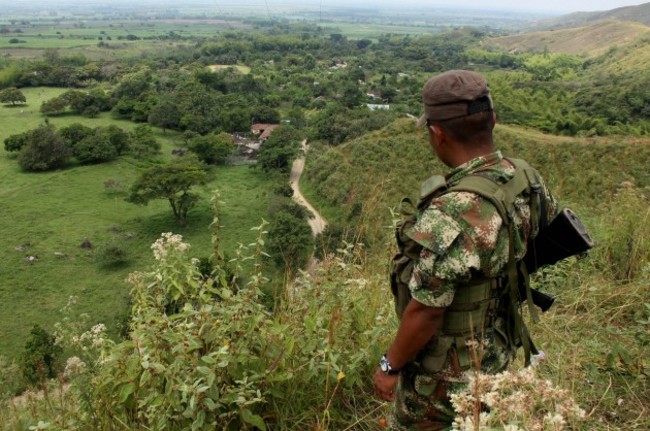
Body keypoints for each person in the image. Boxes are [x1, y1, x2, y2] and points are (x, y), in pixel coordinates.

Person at [373, 70, 558, 430]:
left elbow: (426, 313)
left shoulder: (452, 212)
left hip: (445, 379)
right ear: (494, 120)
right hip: (500, 356)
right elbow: (540, 237)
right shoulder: (526, 178)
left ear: (436, 133)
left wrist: (389, 366)